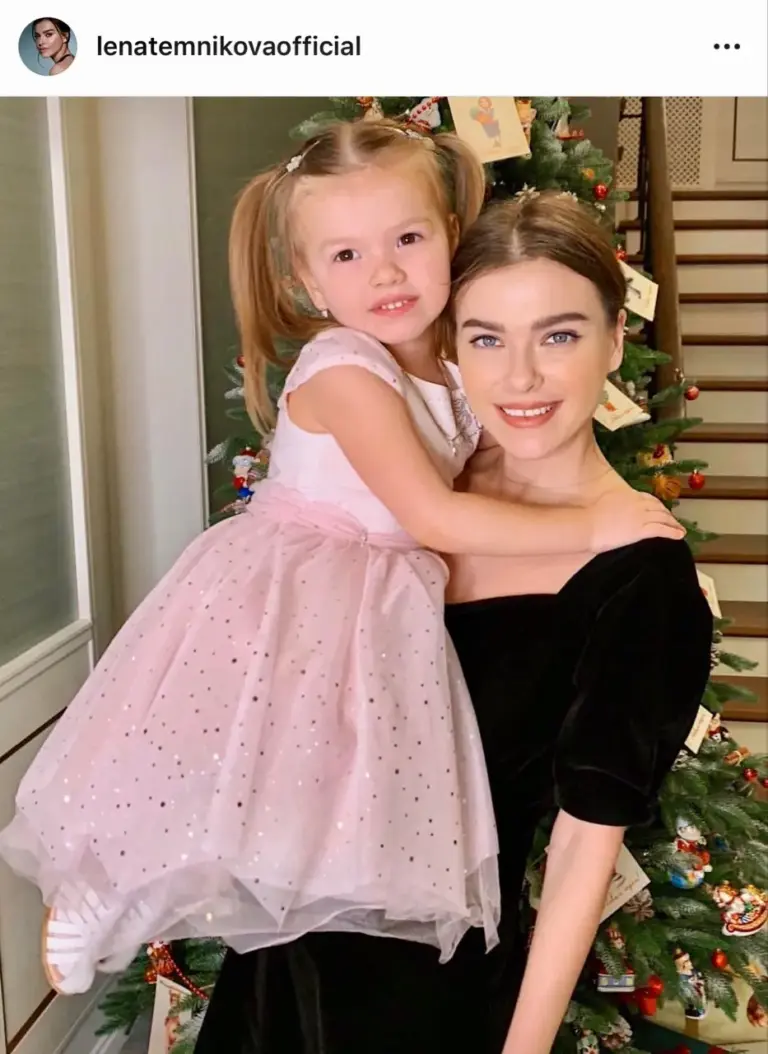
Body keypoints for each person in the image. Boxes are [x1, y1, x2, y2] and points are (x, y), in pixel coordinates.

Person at [0, 123, 681, 999]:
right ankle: (106, 888)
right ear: (308, 280)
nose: (386, 274)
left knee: (320, 793)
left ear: (450, 232)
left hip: (376, 601)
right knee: (216, 777)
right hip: (299, 591)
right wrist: (594, 526)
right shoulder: (344, 369)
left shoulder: (456, 365)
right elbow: (432, 513)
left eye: (408, 239)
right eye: (348, 255)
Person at [191, 192, 712, 1054]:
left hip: (429, 992)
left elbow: (583, 852)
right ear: (452, 346)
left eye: (558, 335)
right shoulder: (411, 496)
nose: (520, 378)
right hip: (283, 955)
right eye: (486, 338)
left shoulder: (641, 574)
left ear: (616, 340)